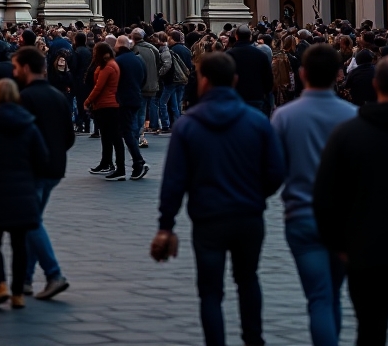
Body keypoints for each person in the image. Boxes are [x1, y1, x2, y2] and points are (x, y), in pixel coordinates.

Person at [151, 50, 285, 346]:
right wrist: (256, 195)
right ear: (235, 81)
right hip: (248, 216)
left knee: (210, 291)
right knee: (248, 279)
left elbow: (174, 182)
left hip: (208, 218)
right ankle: (254, 340)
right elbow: (276, 171)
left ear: (203, 81)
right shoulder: (257, 121)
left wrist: (166, 225)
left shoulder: (188, 125)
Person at [314, 52, 388, 346]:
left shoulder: (347, 134)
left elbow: (324, 198)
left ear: (376, 86)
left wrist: (340, 246)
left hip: (365, 254)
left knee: (370, 331)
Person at [272, 44, 357, 346]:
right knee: (332, 292)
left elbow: (273, 170)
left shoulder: (284, 117)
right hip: (345, 220)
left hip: (302, 217)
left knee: (319, 297)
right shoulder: (354, 117)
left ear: (303, 73)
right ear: (338, 73)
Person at [0, 76, 48, 310]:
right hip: (23, 189)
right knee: (19, 243)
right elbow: (42, 159)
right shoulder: (29, 124)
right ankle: (17, 293)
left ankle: (0, 284)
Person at [13, 46, 73, 300]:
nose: (14, 72)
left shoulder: (25, 97)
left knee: (30, 222)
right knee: (32, 220)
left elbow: (19, 137)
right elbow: (69, 136)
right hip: (55, 168)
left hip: (33, 168)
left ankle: (53, 273)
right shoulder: (58, 96)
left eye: (16, 67)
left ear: (26, 68)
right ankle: (25, 279)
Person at [83, 40, 123, 176]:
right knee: (107, 136)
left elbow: (98, 87)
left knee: (113, 137)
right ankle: (106, 163)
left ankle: (118, 167)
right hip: (106, 104)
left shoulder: (108, 67)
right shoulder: (108, 65)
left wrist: (87, 101)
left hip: (108, 104)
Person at [113, 35, 149, 179]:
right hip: (136, 97)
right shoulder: (138, 60)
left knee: (126, 132)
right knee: (130, 130)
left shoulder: (118, 61)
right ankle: (137, 162)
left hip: (123, 100)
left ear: (119, 45)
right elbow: (144, 78)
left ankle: (138, 162)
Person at [229, 25, 275, 114]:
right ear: (250, 37)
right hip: (256, 97)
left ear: (236, 36)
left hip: (235, 98)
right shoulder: (261, 55)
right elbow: (268, 78)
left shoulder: (228, 55)